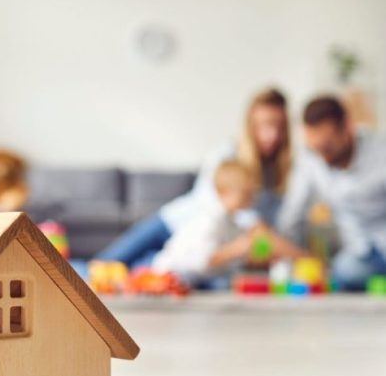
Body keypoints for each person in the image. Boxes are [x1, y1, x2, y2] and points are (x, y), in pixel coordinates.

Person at [95, 87, 291, 267]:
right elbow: (222, 204)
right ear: (250, 125)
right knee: (102, 266)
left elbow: (268, 226)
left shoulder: (276, 174)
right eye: (265, 125)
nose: (272, 135)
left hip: (194, 250)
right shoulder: (226, 154)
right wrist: (259, 229)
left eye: (279, 127)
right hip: (173, 224)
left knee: (137, 275)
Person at [278, 96, 386, 290]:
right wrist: (288, 261)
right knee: (344, 271)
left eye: (327, 147)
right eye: (316, 149)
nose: (322, 156)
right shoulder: (310, 161)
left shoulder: (380, 152)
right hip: (358, 253)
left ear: (347, 128)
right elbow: (292, 216)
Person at [152, 160, 305, 287]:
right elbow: (204, 261)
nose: (251, 198)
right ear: (224, 192)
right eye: (245, 193)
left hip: (197, 278)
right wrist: (236, 249)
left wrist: (256, 255)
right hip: (172, 273)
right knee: (223, 284)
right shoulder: (210, 220)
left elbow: (246, 249)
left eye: (251, 193)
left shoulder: (232, 221)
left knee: (230, 280)